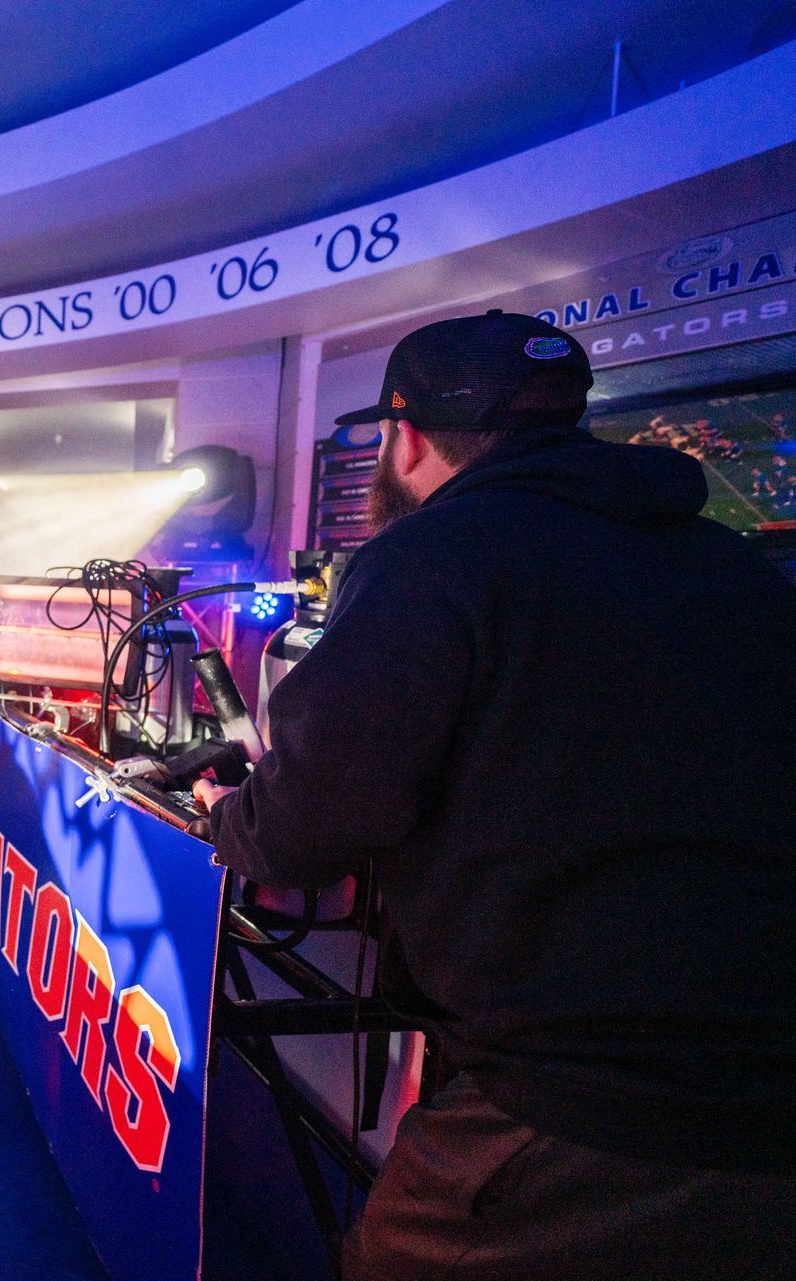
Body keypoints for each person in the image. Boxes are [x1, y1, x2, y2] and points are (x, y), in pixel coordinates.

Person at [193, 311, 796, 1279]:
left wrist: (232, 817)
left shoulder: (436, 554)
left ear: (404, 437)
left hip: (592, 1098)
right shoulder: (727, 559)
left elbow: (311, 826)